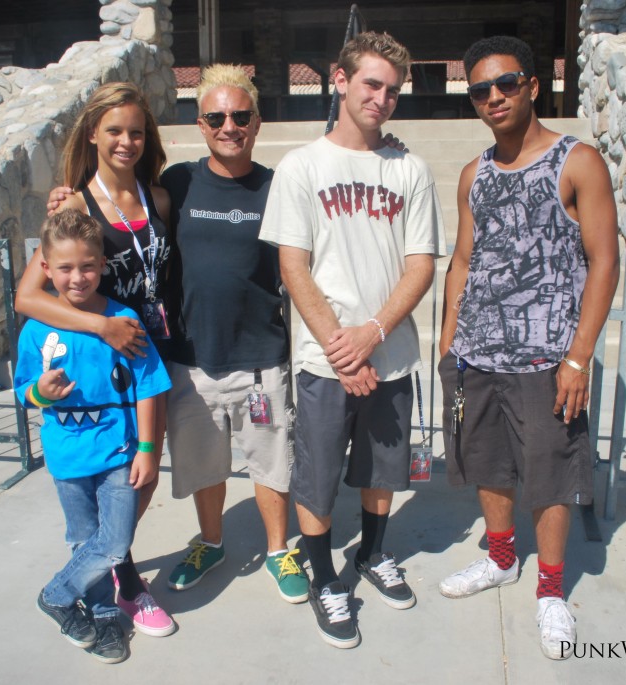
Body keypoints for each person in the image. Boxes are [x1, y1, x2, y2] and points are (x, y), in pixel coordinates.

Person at [259, 31, 446, 649]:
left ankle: (372, 555)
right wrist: (342, 347)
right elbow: (294, 266)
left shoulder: (409, 168)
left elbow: (421, 264)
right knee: (315, 480)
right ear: (338, 80)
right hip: (323, 360)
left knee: (382, 470)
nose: (383, 98)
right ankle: (323, 579)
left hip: (388, 354)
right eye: (372, 83)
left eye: (393, 90)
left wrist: (372, 334)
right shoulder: (302, 166)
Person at [436, 36, 619, 660]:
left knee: (551, 473)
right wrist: (448, 343)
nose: (493, 98)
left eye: (505, 83)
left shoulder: (577, 161)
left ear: (533, 85)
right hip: (479, 353)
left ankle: (550, 591)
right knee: (487, 463)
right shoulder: (474, 174)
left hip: (548, 361)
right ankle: (503, 559)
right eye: (480, 90)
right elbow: (463, 260)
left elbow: (603, 262)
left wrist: (578, 356)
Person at [15, 82, 176, 638]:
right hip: (105, 348)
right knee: (118, 479)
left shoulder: (158, 198)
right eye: (114, 131)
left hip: (152, 350)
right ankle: (122, 579)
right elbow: (27, 296)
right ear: (93, 135)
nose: (126, 141)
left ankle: (113, 569)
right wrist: (101, 325)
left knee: (139, 472)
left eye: (136, 131)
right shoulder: (74, 207)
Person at [156, 64, 307, 602]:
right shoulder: (179, 181)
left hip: (260, 356)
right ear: (200, 124)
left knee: (271, 462)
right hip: (192, 357)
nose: (229, 125)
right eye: (217, 116)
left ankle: (277, 549)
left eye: (240, 116)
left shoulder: (277, 186)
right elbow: (119, 206)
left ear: (257, 122)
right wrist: (72, 199)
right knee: (204, 463)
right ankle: (212, 541)